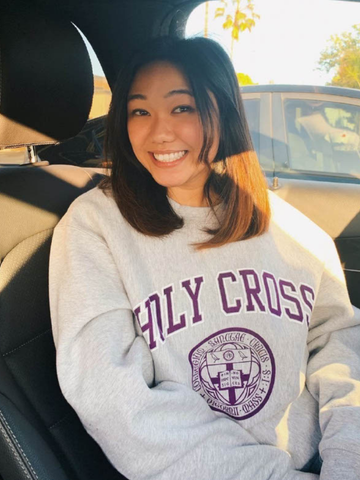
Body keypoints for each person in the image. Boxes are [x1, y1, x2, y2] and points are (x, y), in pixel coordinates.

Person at [49, 37, 360, 480]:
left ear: (223, 113)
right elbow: (111, 391)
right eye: (139, 111)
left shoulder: (290, 228)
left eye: (183, 108)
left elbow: (338, 340)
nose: (159, 132)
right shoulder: (95, 225)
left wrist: (347, 459)